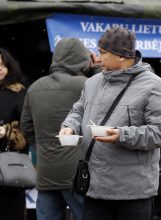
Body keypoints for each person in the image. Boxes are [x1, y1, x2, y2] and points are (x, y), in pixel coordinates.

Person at [59, 27, 161, 220]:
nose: (98, 57)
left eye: (103, 52)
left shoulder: (155, 86)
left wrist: (121, 134)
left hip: (133, 194)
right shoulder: (92, 82)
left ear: (122, 56)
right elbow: (78, 111)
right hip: (94, 188)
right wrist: (69, 126)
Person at [20, 38, 100, 220]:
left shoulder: (34, 88)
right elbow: (106, 106)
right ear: (82, 58)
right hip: (79, 174)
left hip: (47, 172)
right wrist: (95, 69)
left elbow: (26, 127)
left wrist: (43, 146)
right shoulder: (87, 85)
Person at [0, 48, 27, 220]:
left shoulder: (18, 93)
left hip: (9, 169)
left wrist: (7, 132)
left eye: (3, 64)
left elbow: (28, 130)